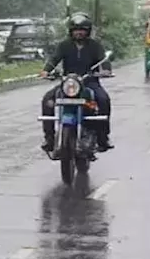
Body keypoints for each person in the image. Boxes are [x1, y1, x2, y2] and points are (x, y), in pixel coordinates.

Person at [38, 12, 113, 154]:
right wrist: (46, 71)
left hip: (89, 83)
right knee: (47, 100)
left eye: (82, 30)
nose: (79, 33)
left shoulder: (95, 46)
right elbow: (54, 59)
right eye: (76, 30)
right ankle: (49, 138)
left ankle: (103, 138)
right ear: (71, 31)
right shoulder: (64, 45)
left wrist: (106, 71)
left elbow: (104, 60)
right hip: (68, 83)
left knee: (103, 100)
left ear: (87, 31)